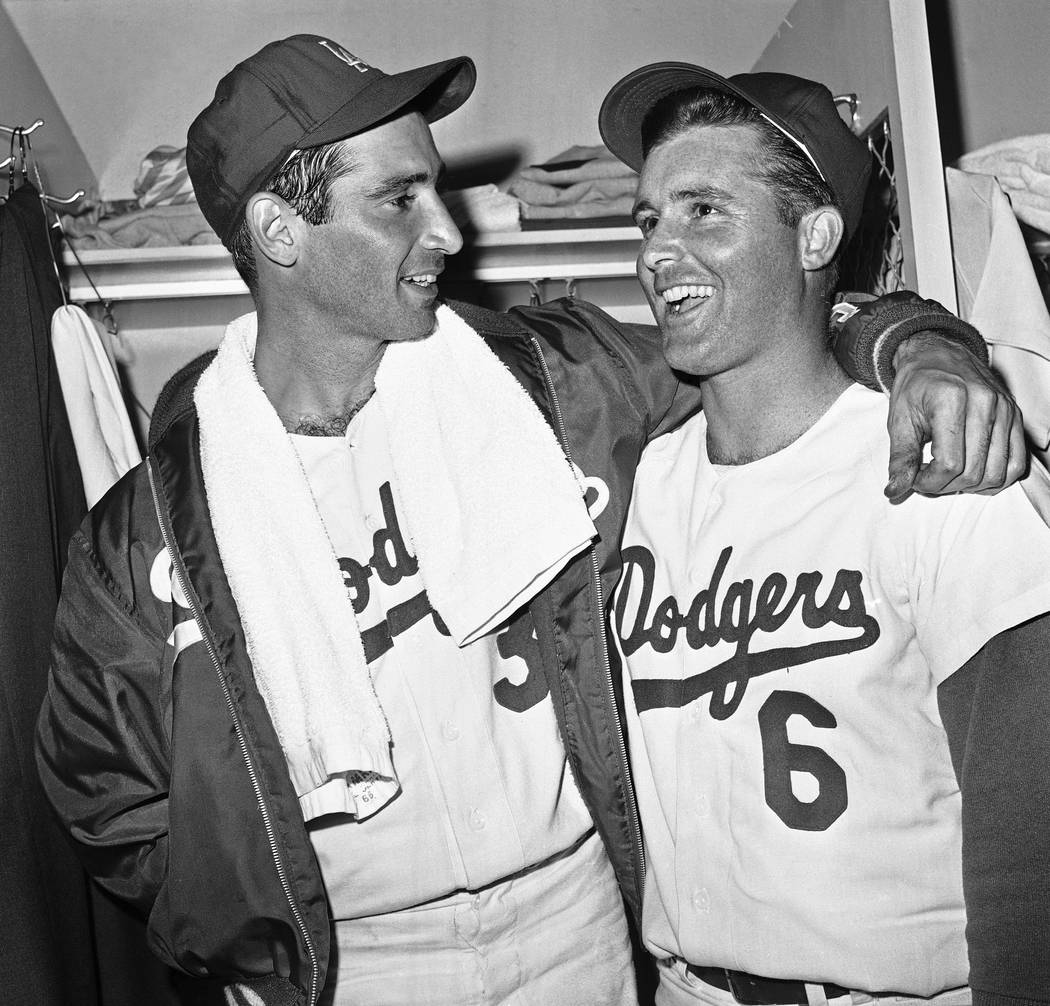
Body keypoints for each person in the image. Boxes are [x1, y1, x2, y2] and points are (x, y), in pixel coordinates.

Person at [36, 35, 1024, 1006]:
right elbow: (99, 790)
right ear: (280, 231)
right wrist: (252, 918)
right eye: (399, 199)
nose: (450, 233)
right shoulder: (154, 526)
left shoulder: (552, 382)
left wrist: (920, 344)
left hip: (576, 920)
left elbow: (770, 332)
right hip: (351, 962)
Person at [601, 63, 1050, 1006]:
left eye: (705, 212)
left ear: (814, 236)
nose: (659, 252)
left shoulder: (943, 463)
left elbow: (1030, 833)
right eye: (649, 221)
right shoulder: (641, 474)